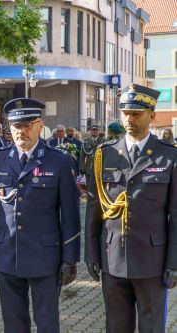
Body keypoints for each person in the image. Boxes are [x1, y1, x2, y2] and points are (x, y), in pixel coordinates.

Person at [0, 98, 80, 333]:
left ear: (39, 126)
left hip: (45, 257)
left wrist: (70, 258)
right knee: (13, 325)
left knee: (46, 324)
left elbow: (71, 215)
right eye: (15, 126)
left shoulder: (59, 160)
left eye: (26, 125)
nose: (20, 131)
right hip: (6, 255)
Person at [86, 84, 177, 332]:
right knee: (116, 326)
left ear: (152, 115)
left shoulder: (168, 156)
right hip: (112, 257)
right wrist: (92, 253)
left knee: (151, 326)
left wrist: (173, 262)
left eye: (136, 113)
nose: (129, 119)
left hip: (152, 261)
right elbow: (94, 209)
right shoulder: (104, 154)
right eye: (125, 113)